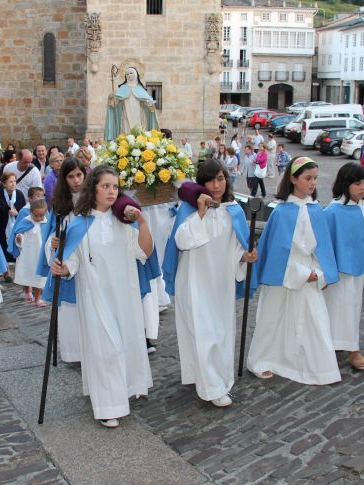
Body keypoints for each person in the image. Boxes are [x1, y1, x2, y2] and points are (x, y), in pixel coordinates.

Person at [50, 165, 154, 428]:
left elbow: (144, 252)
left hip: (125, 294)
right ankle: (108, 405)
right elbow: (70, 262)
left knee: (126, 341)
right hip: (95, 295)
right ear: (93, 188)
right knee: (105, 347)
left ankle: (125, 389)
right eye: (105, 186)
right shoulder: (78, 223)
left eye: (115, 187)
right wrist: (61, 267)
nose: (111, 191)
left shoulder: (124, 222)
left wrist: (142, 222)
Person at [162, 162, 257, 407]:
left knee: (221, 331)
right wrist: (201, 213)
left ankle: (208, 376)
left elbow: (236, 245)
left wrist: (244, 257)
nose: (216, 185)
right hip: (194, 280)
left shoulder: (233, 209)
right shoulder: (189, 209)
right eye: (211, 181)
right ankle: (212, 388)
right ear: (201, 184)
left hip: (221, 281)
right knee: (202, 331)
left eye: (221, 179)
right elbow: (182, 241)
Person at [247, 157, 341, 385]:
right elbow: (277, 251)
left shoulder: (316, 209)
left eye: (315, 178)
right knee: (273, 317)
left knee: (314, 319)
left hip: (310, 270)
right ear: (293, 179)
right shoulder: (281, 212)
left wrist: (321, 272)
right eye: (308, 178)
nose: (313, 183)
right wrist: (299, 272)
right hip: (285, 272)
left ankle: (314, 366)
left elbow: (323, 247)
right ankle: (262, 360)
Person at [323, 163, 364, 370]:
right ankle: (330, 346)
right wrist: (324, 272)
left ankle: (353, 349)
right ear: (346, 184)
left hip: (357, 270)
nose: (363, 188)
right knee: (333, 309)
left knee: (352, 309)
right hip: (337, 273)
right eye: (358, 184)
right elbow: (325, 244)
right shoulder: (331, 211)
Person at [37, 157, 87, 363]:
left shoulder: (93, 201)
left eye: (79, 175)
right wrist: (53, 243)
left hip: (88, 260)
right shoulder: (59, 206)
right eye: (70, 176)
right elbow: (50, 235)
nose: (76, 180)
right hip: (67, 260)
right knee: (69, 309)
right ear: (64, 180)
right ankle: (73, 352)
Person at [9, 198, 48, 306]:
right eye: (36, 215)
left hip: (40, 255)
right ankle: (27, 291)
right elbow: (19, 233)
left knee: (39, 277)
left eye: (42, 215)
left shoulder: (46, 222)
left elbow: (48, 237)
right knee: (27, 274)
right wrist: (19, 238)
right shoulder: (26, 221)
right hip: (27, 254)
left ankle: (38, 298)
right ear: (31, 212)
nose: (39, 218)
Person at [104, 66, 159, 139]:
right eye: (127, 74)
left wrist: (150, 104)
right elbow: (115, 103)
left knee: (139, 130)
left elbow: (147, 101)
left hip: (138, 113)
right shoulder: (122, 88)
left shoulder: (140, 88)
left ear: (136, 74)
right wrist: (112, 97)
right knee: (127, 129)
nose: (129, 75)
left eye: (131, 73)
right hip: (126, 113)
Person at [0, 171, 27, 263]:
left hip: (16, 226)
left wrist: (17, 213)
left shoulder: (19, 194)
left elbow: (24, 212)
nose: (13, 184)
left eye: (15, 181)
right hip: (2, 227)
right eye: (10, 182)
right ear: (4, 183)